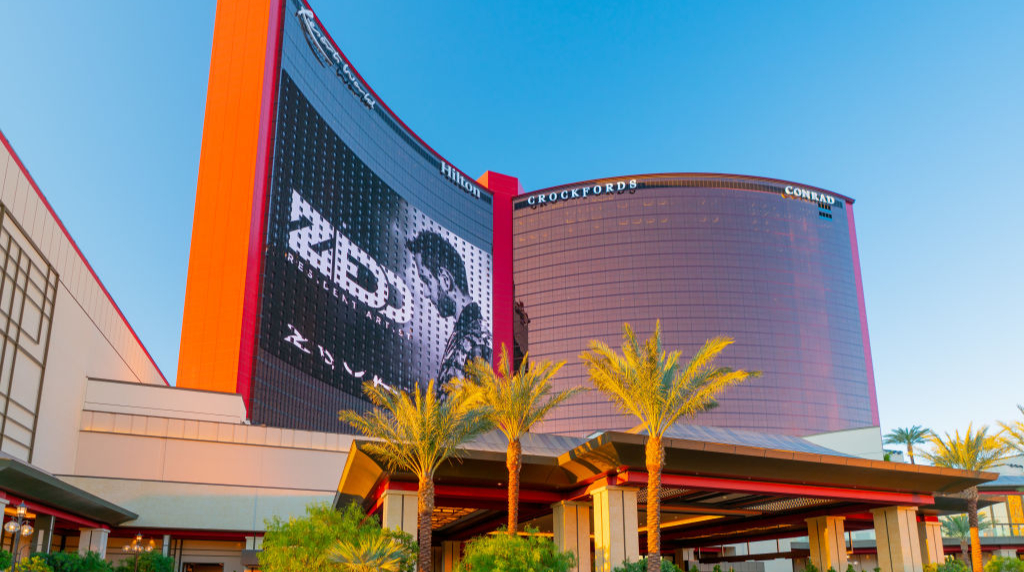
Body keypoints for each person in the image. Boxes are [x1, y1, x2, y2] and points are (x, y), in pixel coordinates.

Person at [407, 230, 491, 386]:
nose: (425, 292)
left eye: (426, 281)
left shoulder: (476, 340)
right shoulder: (465, 334)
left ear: (445, 280)